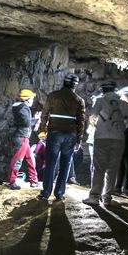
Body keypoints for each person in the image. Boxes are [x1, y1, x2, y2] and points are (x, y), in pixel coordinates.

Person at [83, 81, 128, 206]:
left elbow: (93, 115)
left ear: (103, 90)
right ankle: (107, 197)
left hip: (102, 138)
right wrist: (124, 123)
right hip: (118, 139)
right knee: (112, 169)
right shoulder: (122, 103)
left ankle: (94, 196)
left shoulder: (100, 101)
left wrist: (96, 122)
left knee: (98, 168)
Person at [36, 74, 86, 203]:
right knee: (65, 165)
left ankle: (46, 193)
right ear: (75, 85)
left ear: (64, 82)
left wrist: (42, 131)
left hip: (55, 133)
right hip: (70, 135)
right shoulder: (79, 100)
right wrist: (79, 140)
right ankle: (59, 193)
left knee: (50, 164)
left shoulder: (53, 96)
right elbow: (81, 122)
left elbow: (44, 114)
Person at [5, 89, 40, 189]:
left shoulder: (19, 107)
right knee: (18, 159)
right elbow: (26, 123)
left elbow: (24, 122)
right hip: (21, 137)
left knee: (30, 158)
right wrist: (36, 119)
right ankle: (11, 181)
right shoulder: (22, 107)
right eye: (32, 99)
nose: (33, 101)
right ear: (27, 99)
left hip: (23, 137)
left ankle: (34, 180)